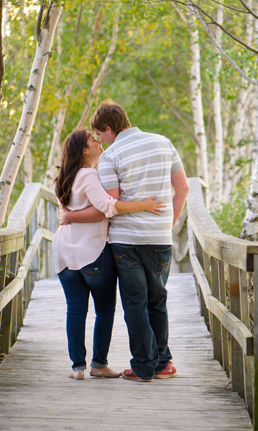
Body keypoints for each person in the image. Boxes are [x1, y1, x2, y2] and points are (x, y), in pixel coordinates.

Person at [62, 101, 189, 382]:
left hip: (126, 240)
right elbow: (183, 188)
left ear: (108, 128)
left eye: (100, 135)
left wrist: (70, 216)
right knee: (158, 300)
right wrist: (169, 223)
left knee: (135, 303)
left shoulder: (111, 156)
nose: (101, 142)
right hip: (159, 237)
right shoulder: (163, 142)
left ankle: (143, 366)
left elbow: (113, 203)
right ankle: (163, 364)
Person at [53, 129, 165, 380]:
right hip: (92, 252)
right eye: (94, 141)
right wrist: (144, 205)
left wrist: (70, 216)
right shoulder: (89, 175)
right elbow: (107, 208)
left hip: (64, 252)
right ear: (84, 150)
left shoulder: (63, 177)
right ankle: (99, 364)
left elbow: (71, 214)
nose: (99, 142)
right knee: (104, 309)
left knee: (75, 309)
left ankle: (77, 367)